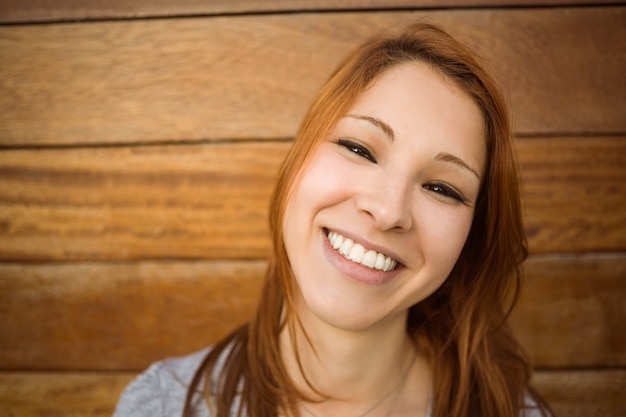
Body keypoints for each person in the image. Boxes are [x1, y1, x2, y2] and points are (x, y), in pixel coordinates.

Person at [114, 22, 552, 417]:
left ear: (471, 238)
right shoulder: (162, 406)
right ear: (296, 162)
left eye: (442, 188)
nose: (387, 211)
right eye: (359, 149)